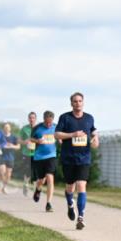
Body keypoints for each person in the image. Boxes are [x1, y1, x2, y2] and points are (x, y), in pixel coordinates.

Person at [54, 92, 99, 230]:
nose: (77, 103)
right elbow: (56, 134)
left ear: (83, 102)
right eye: (75, 101)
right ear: (71, 103)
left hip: (84, 158)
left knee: (81, 185)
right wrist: (73, 134)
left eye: (80, 101)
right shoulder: (65, 117)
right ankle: (70, 204)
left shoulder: (89, 118)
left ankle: (81, 217)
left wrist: (95, 140)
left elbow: (94, 136)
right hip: (68, 158)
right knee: (70, 187)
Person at [31, 111, 58, 212]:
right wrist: (37, 141)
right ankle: (38, 189)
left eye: (50, 123)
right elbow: (31, 139)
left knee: (50, 177)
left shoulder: (56, 127)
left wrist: (60, 140)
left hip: (51, 156)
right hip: (39, 157)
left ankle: (49, 203)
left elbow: (60, 136)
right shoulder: (37, 128)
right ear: (43, 119)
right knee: (41, 181)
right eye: (47, 123)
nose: (48, 125)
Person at [18, 112, 38, 196]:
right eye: (30, 118)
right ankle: (26, 184)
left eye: (33, 118)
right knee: (27, 170)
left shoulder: (39, 128)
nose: (31, 119)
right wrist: (24, 142)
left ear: (35, 119)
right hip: (26, 153)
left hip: (37, 153)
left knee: (36, 170)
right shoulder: (24, 129)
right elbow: (18, 140)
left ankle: (35, 188)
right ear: (28, 119)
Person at [1, 122, 20, 192]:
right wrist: (3, 146)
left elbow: (18, 147)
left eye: (8, 127)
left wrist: (12, 146)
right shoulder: (1, 136)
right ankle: (0, 184)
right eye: (5, 127)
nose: (6, 129)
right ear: (3, 129)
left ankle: (4, 187)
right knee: (2, 172)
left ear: (10, 128)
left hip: (10, 158)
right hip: (1, 157)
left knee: (8, 175)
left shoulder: (14, 137)